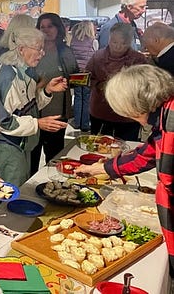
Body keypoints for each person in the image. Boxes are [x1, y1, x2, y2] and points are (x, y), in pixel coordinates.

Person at [74, 64, 174, 277]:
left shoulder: (171, 117)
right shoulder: (165, 112)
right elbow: (147, 154)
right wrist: (102, 168)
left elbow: (168, 178)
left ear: (136, 105)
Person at [0, 28, 68, 186]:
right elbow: (2, 121)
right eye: (38, 48)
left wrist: (47, 91)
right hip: (8, 146)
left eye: (42, 49)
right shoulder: (6, 78)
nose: (42, 53)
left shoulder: (26, 72)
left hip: (22, 143)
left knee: (20, 189)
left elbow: (28, 106)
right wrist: (37, 124)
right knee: (11, 194)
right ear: (20, 49)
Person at [30, 13, 77, 175]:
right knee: (32, 157)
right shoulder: (35, 51)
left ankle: (51, 188)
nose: (46, 30)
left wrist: (76, 79)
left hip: (57, 111)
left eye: (50, 26)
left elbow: (74, 75)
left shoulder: (65, 51)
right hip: (36, 112)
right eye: (42, 27)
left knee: (55, 157)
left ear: (58, 28)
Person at [86, 23, 148, 141]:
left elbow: (145, 86)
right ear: (109, 38)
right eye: (114, 42)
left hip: (128, 114)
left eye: (123, 43)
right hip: (101, 111)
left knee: (127, 150)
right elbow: (87, 77)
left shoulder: (138, 59)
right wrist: (98, 85)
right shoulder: (98, 56)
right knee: (98, 148)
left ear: (130, 42)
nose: (118, 47)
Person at [70, 21, 98, 131]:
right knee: (86, 98)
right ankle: (85, 124)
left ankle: (77, 122)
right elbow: (95, 56)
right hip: (87, 72)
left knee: (78, 97)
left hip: (76, 72)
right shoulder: (93, 41)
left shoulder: (73, 41)